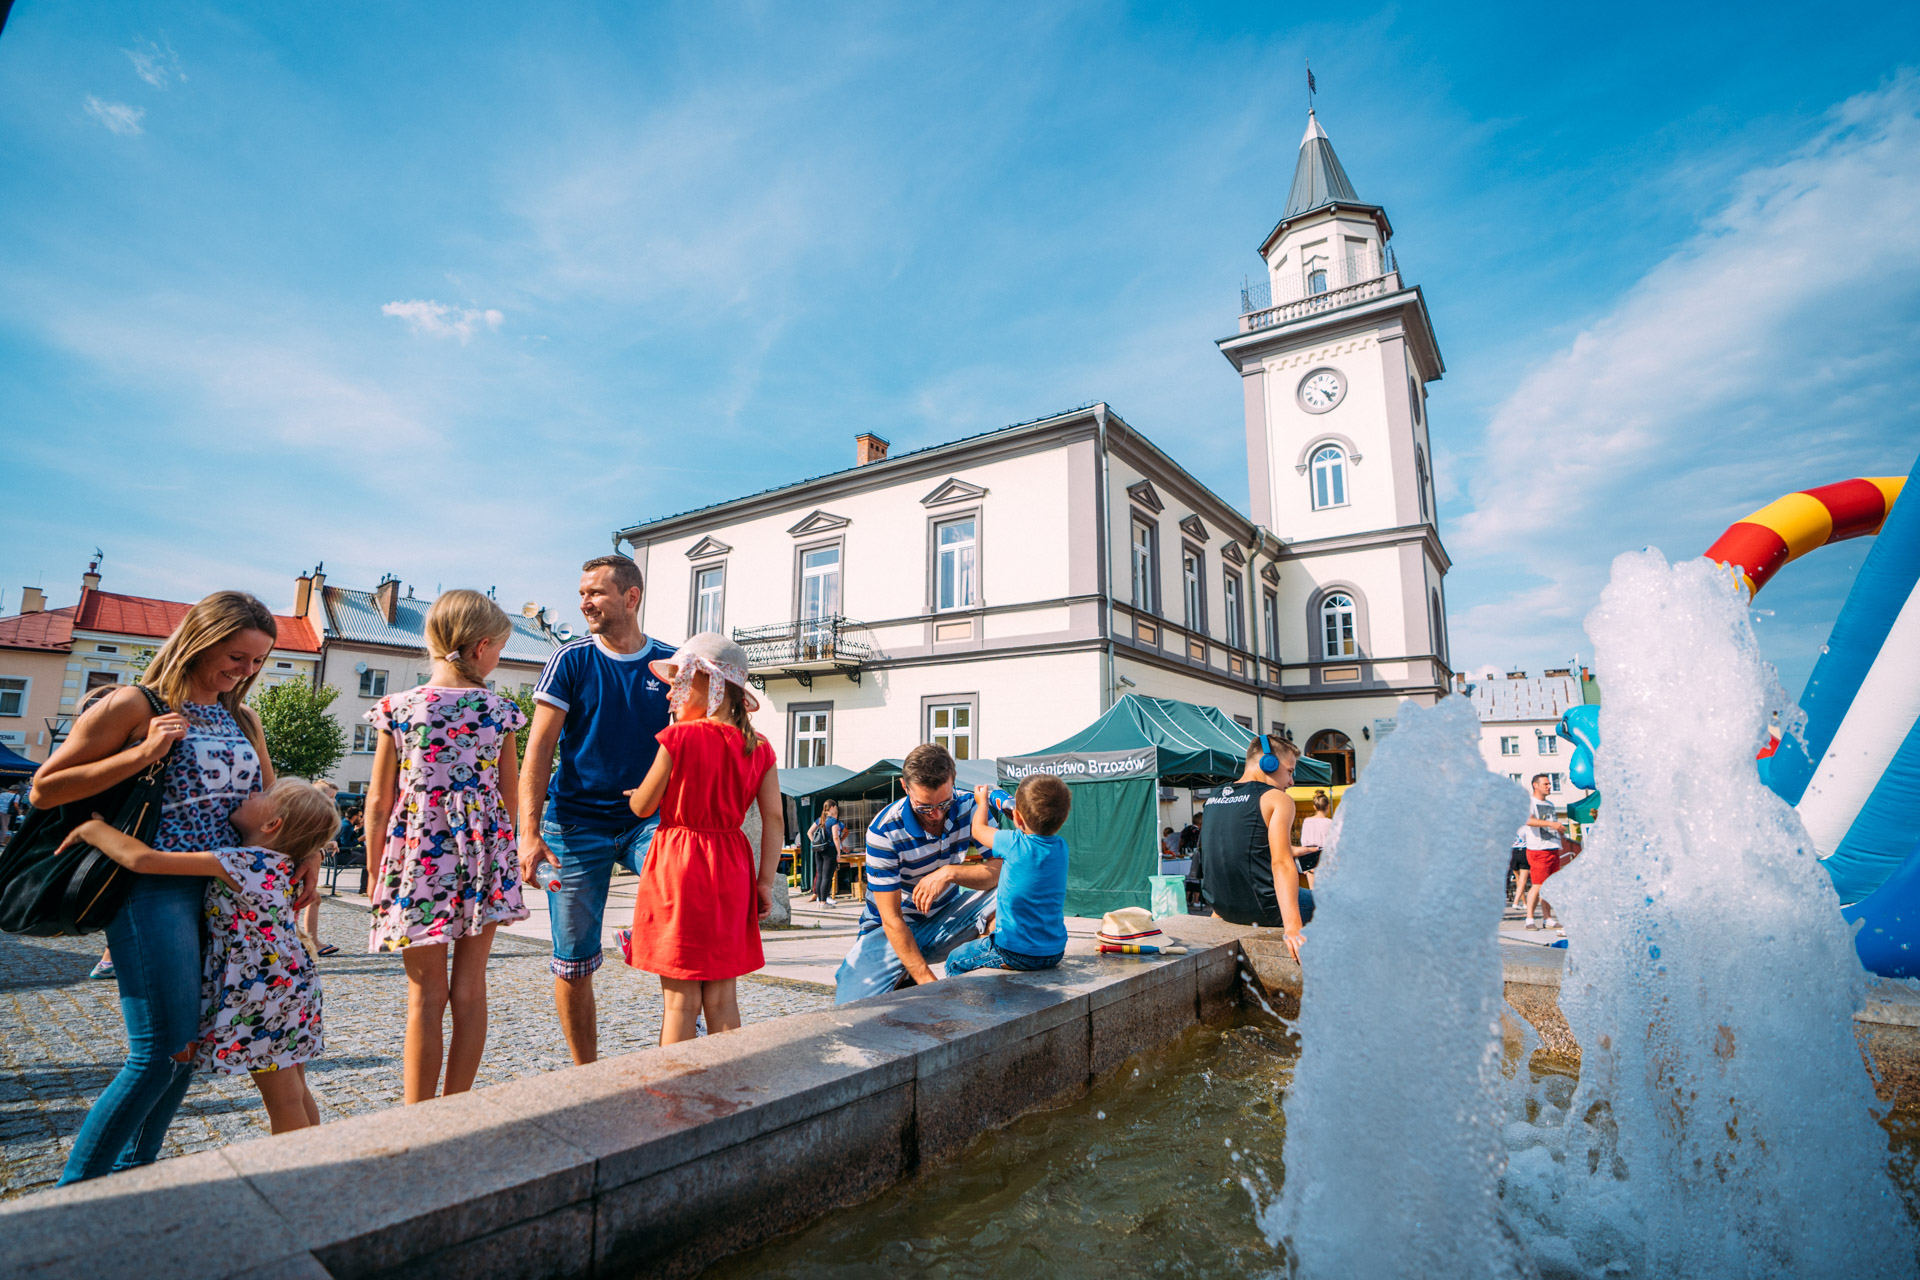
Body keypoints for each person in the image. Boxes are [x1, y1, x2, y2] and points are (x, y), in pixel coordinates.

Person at [32, 592, 303, 1184]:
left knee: (185, 1056)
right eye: (237, 656)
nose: (246, 671)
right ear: (201, 639)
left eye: (257, 662)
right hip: (148, 888)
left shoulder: (243, 718)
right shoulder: (134, 703)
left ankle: (135, 1183)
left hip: (219, 897)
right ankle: (69, 1199)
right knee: (157, 1052)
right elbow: (46, 789)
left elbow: (273, 804)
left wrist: (307, 850)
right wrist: (146, 752)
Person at [60, 777, 338, 1133]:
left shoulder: (241, 862)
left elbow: (143, 859)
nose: (251, 791)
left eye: (264, 795)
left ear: (271, 825)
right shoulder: (282, 864)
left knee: (282, 1099)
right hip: (293, 984)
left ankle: (296, 1181)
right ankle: (315, 1164)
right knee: (295, 1089)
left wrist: (94, 829)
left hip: (264, 992)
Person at [366, 590, 531, 1102]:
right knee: (470, 989)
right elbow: (510, 794)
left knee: (424, 997)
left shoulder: (398, 708)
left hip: (418, 857)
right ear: (482, 647)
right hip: (483, 856)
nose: (499, 658)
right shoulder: (500, 711)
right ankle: (457, 1107)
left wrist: (376, 873)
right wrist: (511, 856)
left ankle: (417, 1116)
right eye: (500, 649)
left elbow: (377, 800)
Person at [518, 555, 676, 1065]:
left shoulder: (671, 665)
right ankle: (587, 1073)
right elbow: (538, 750)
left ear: (631, 597)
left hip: (646, 821)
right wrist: (528, 833)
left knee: (684, 898)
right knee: (574, 960)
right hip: (573, 823)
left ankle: (678, 1046)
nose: (584, 601)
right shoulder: (571, 660)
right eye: (581, 592)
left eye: (596, 592)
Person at [623, 634, 782, 1044]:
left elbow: (643, 807)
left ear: (709, 685)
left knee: (679, 1001)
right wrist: (764, 882)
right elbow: (774, 819)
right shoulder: (760, 748)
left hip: (679, 865)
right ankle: (727, 1090)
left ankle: (675, 1099)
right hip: (731, 865)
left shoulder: (679, 737)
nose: (671, 692)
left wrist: (639, 794)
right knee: (723, 996)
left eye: (679, 681)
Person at [833, 743, 999, 1003]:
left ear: (953, 781)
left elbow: (1000, 871)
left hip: (945, 917)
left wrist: (949, 872)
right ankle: (906, 975)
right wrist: (929, 985)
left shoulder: (969, 807)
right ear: (905, 787)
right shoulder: (884, 831)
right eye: (924, 806)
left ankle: (995, 982)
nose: (935, 814)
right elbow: (891, 919)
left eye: (943, 803)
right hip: (888, 931)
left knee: (1015, 886)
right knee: (851, 1007)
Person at [946, 775, 1072, 977]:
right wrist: (1021, 818)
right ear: (1064, 818)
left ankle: (964, 1008)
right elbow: (1036, 835)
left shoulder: (1013, 842)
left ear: (1018, 818)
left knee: (955, 960)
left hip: (1015, 952)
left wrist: (982, 804)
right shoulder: (1061, 847)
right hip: (1054, 951)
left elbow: (978, 830)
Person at [1198, 734, 1309, 962]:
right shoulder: (1277, 799)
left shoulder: (1213, 798)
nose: (1291, 781)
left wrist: (1296, 850)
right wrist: (1293, 928)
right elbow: (1281, 863)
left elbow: (1228, 850)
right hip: (1266, 909)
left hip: (1224, 908)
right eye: (1289, 771)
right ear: (1269, 764)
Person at [300, 779, 342, 957]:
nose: (333, 801)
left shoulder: (309, 812)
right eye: (330, 797)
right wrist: (320, 851)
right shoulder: (310, 813)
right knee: (309, 900)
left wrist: (325, 844)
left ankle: (309, 942)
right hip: (298, 866)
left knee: (311, 900)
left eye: (334, 797)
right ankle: (310, 943)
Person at [1521, 774, 1566, 933]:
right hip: (1538, 849)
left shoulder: (1550, 803)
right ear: (1535, 785)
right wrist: (1551, 824)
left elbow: (1550, 824)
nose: (1549, 786)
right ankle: (1529, 919)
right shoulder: (1529, 802)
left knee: (1548, 886)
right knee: (1538, 885)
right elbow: (1528, 820)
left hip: (1552, 847)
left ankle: (1547, 918)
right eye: (1546, 784)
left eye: (1549, 784)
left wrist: (1558, 829)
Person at [808, 800, 847, 906]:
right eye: (835, 807)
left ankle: (820, 900)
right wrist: (839, 852)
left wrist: (815, 843)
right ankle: (823, 901)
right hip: (829, 850)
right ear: (832, 808)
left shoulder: (820, 820)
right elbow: (835, 837)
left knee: (820, 875)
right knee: (827, 876)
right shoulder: (833, 821)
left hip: (818, 851)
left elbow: (809, 832)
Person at [1297, 790, 1335, 889]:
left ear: (1314, 807)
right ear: (1328, 806)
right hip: (1325, 859)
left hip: (1309, 858)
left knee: (1312, 892)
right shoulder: (1330, 823)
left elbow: (1303, 842)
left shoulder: (1307, 821)